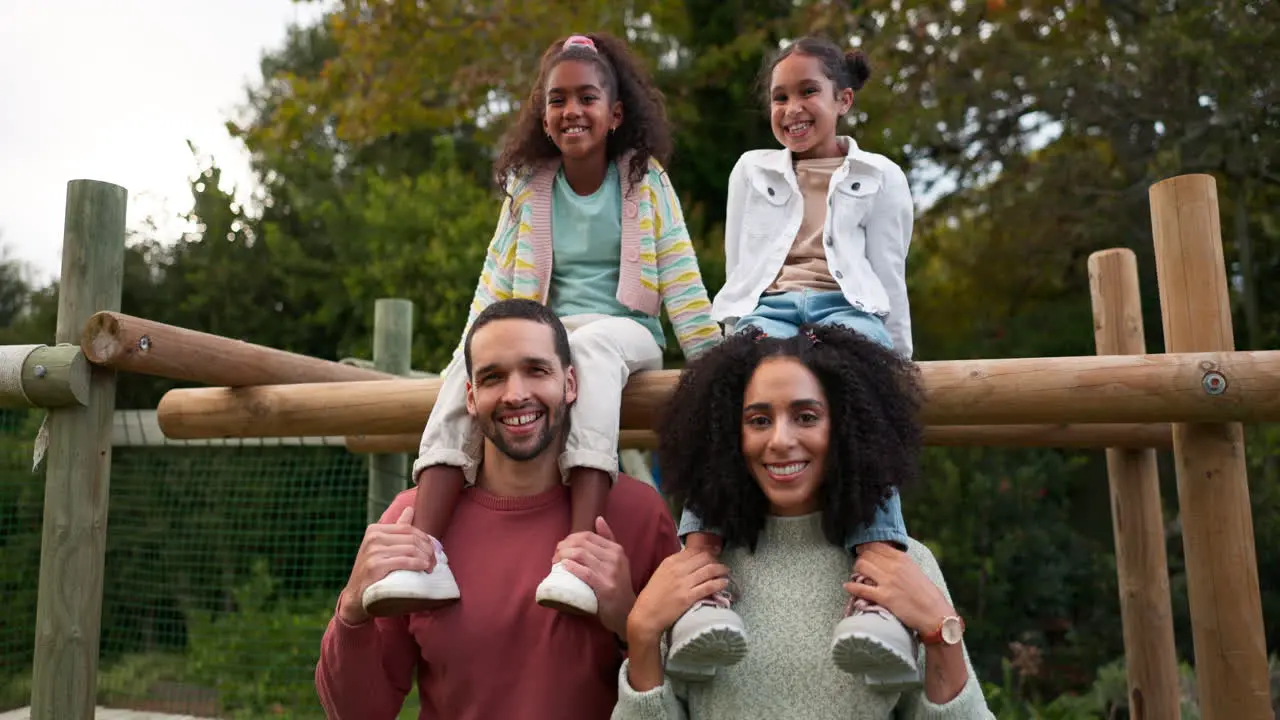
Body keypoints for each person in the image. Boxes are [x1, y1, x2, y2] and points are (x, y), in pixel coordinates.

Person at [360, 32, 720, 620]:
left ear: (615, 113)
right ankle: (422, 554)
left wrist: (712, 361)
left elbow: (679, 272)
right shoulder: (529, 187)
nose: (571, 110)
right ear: (544, 116)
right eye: (557, 100)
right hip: (542, 331)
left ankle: (578, 556)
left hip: (623, 332)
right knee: (470, 366)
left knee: (591, 350)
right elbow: (495, 277)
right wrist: (471, 351)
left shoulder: (642, 180)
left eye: (586, 97)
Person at [668, 36, 920, 687]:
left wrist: (899, 364)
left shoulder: (881, 176)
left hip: (846, 305)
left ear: (843, 99)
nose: (792, 107)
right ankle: (700, 576)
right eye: (780, 97)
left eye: (807, 92)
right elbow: (741, 261)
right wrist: (732, 335)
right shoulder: (751, 170)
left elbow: (888, 274)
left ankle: (875, 588)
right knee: (720, 387)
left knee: (862, 392)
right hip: (769, 306)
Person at [316, 299, 681, 719]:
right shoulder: (412, 522)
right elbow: (355, 713)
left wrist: (627, 619)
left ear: (571, 383)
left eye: (536, 370)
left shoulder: (637, 514)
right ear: (470, 397)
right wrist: (351, 609)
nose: (516, 394)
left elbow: (688, 694)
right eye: (493, 377)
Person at [613, 324, 992, 719]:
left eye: (806, 416)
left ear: (846, 427)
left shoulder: (905, 565)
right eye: (759, 420)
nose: (779, 440)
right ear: (728, 435)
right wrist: (641, 633)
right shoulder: (688, 575)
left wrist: (940, 632)